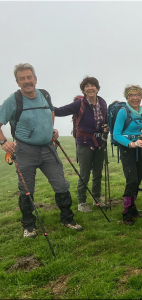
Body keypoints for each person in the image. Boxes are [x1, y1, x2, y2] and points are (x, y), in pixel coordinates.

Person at [0, 63, 82, 238]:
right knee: (27, 189)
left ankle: (67, 219)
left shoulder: (44, 94)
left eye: (29, 77)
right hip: (25, 150)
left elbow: (50, 111)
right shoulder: (13, 101)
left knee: (61, 184)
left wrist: (50, 130)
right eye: (22, 78)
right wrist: (2, 141)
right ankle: (29, 225)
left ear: (35, 79)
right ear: (17, 81)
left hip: (47, 148)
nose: (27, 81)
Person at [54, 76, 109, 212]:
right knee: (84, 173)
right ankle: (82, 201)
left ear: (97, 88)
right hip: (84, 142)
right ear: (83, 90)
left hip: (99, 141)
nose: (90, 88)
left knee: (97, 173)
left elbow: (105, 120)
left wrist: (106, 129)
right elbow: (61, 111)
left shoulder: (102, 103)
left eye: (93, 85)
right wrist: (46, 106)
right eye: (87, 86)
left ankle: (97, 198)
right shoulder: (80, 104)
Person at [113, 85, 142, 225]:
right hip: (128, 150)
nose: (135, 98)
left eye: (137, 95)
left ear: (141, 96)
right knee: (132, 181)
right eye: (131, 95)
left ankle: (133, 208)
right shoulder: (123, 112)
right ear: (127, 97)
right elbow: (116, 134)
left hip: (141, 148)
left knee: (139, 177)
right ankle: (126, 213)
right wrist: (131, 144)